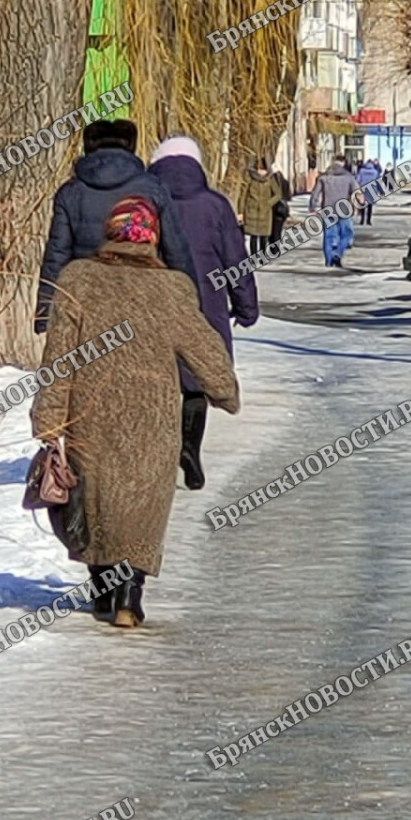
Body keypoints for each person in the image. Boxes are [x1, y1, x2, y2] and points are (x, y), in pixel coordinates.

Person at [30, 196, 239, 629]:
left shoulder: (79, 279)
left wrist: (49, 417)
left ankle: (103, 588)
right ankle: (130, 594)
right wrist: (224, 390)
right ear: (153, 239)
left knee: (98, 501)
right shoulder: (172, 288)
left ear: (110, 232)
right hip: (153, 414)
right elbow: (203, 347)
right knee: (142, 503)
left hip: (92, 411)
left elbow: (59, 357)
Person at [148, 136, 259, 490]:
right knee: (195, 382)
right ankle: (190, 448)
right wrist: (246, 307)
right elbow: (235, 260)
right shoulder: (215, 206)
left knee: (158, 379)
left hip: (155, 303)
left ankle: (160, 454)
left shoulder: (144, 202)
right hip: (204, 305)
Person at [34, 119, 197, 333]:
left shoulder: (70, 192)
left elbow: (57, 256)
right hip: (143, 295)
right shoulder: (153, 188)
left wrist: (45, 313)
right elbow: (176, 250)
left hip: (86, 298)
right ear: (130, 147)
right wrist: (191, 306)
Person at [309, 154, 362, 268]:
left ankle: (329, 261)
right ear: (343, 163)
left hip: (328, 210)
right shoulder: (349, 177)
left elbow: (315, 193)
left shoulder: (323, 177)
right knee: (347, 234)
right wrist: (357, 207)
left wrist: (313, 207)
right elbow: (357, 193)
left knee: (328, 236)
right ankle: (338, 253)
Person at [237, 157, 284, 256]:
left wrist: (269, 202)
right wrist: (240, 211)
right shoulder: (250, 178)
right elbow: (243, 195)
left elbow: (278, 194)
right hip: (251, 210)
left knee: (264, 235)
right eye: (259, 169)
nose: (261, 172)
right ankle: (254, 256)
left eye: (263, 169)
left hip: (265, 211)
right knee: (253, 236)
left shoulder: (270, 180)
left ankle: (262, 255)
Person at [356, 158, 379, 225]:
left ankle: (362, 220)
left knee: (362, 205)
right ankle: (369, 221)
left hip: (363, 189)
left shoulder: (361, 171)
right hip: (372, 190)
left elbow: (358, 180)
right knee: (370, 206)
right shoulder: (375, 172)